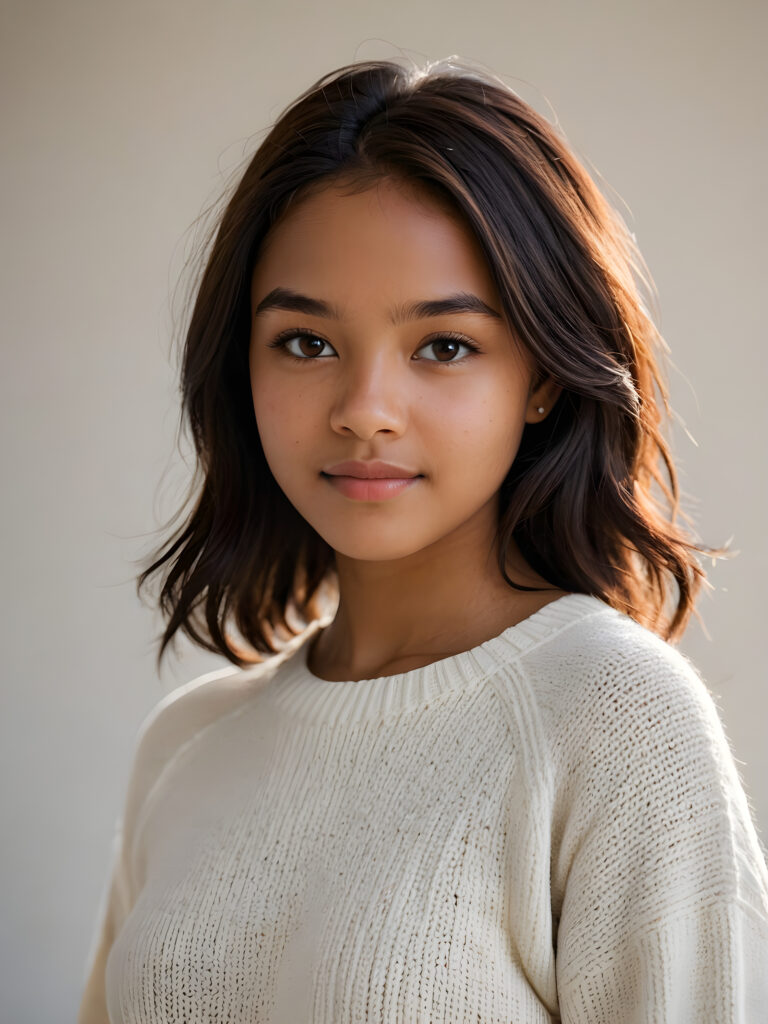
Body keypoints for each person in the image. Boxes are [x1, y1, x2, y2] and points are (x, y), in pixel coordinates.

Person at [77, 56, 768, 1023]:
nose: (365, 412)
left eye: (444, 346)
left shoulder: (619, 725)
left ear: (542, 374)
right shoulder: (188, 745)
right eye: (306, 343)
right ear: (241, 368)